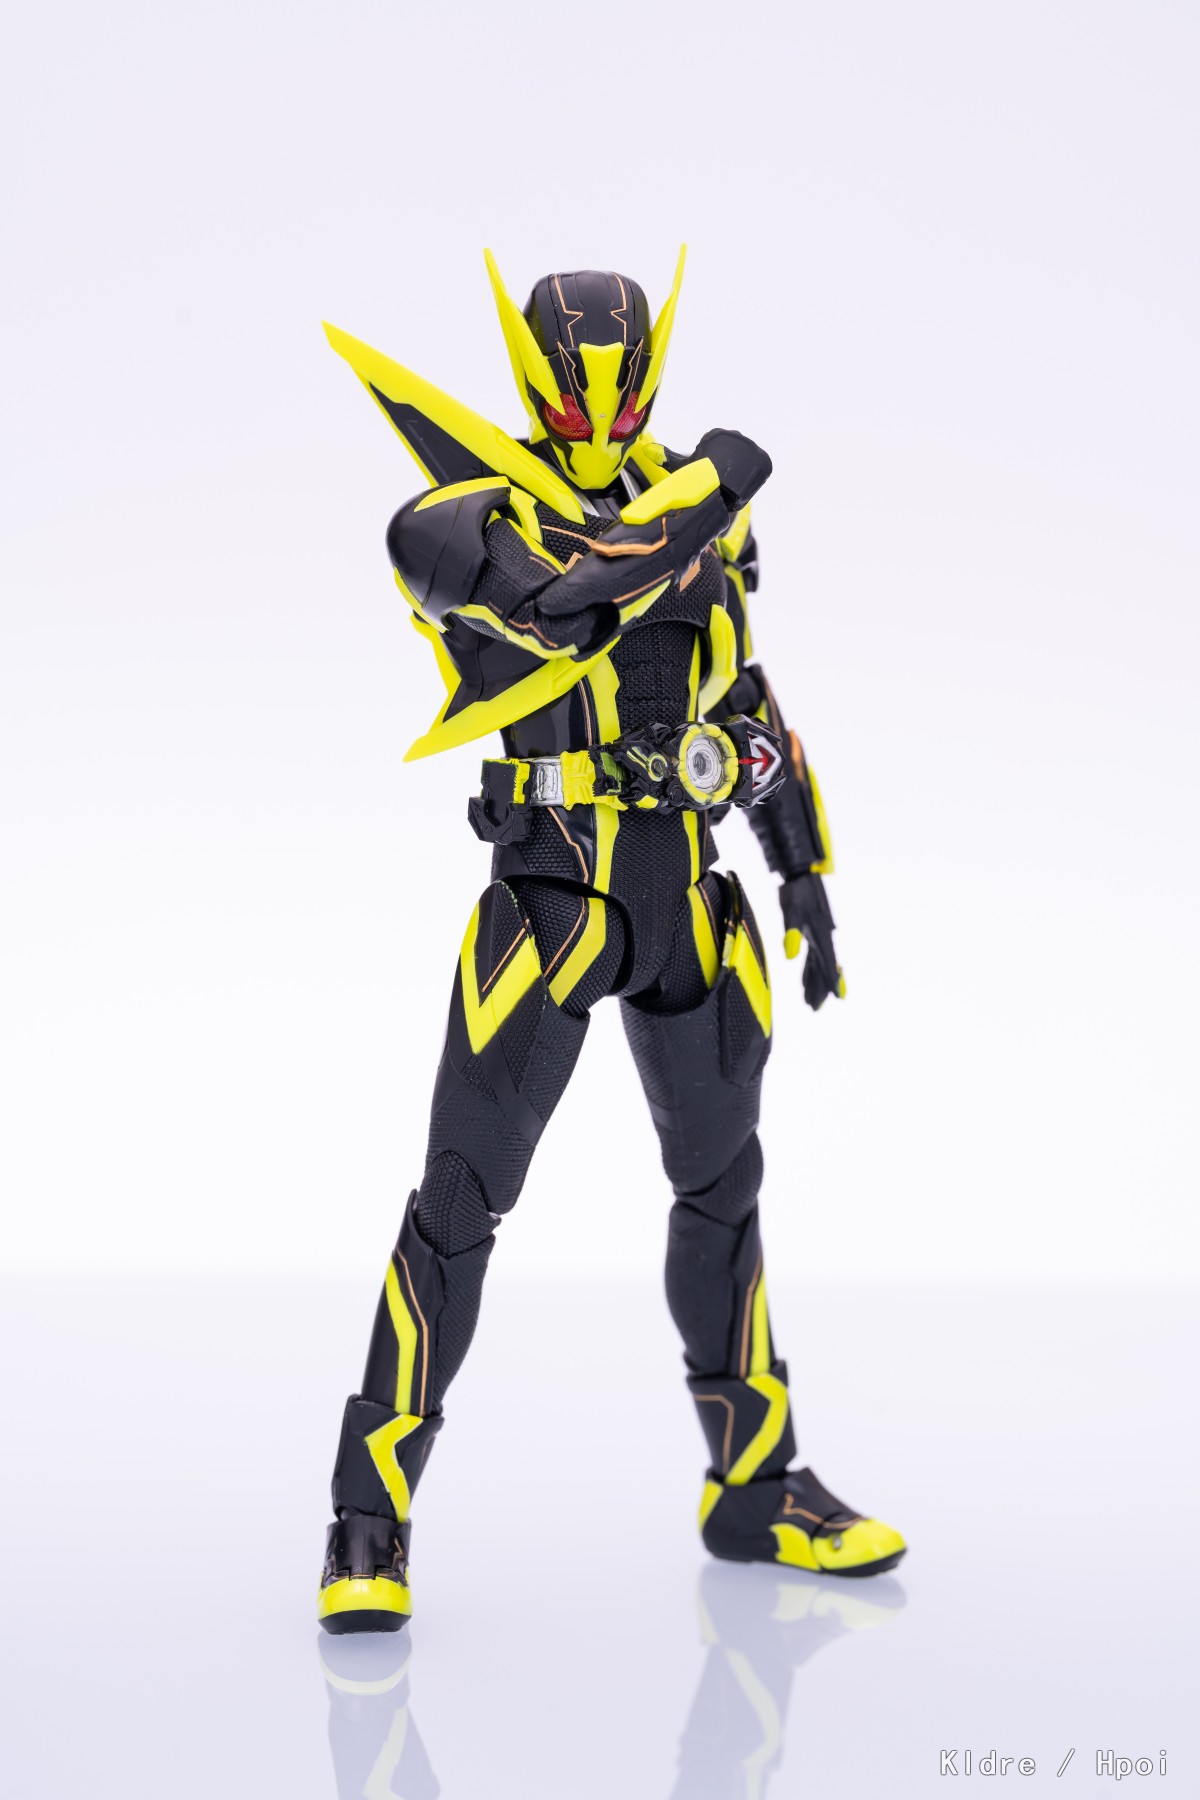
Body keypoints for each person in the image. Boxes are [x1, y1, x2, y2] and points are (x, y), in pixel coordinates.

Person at [318, 249, 906, 1634]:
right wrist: (713, 484)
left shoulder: (698, 516)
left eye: (621, 382)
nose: (599, 407)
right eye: (576, 383)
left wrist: (803, 869)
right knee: (457, 1208)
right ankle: (367, 1520)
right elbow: (567, 604)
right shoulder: (458, 513)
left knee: (724, 1195)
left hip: (686, 894)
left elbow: (742, 698)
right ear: (531, 372)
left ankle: (756, 1486)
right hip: (551, 904)